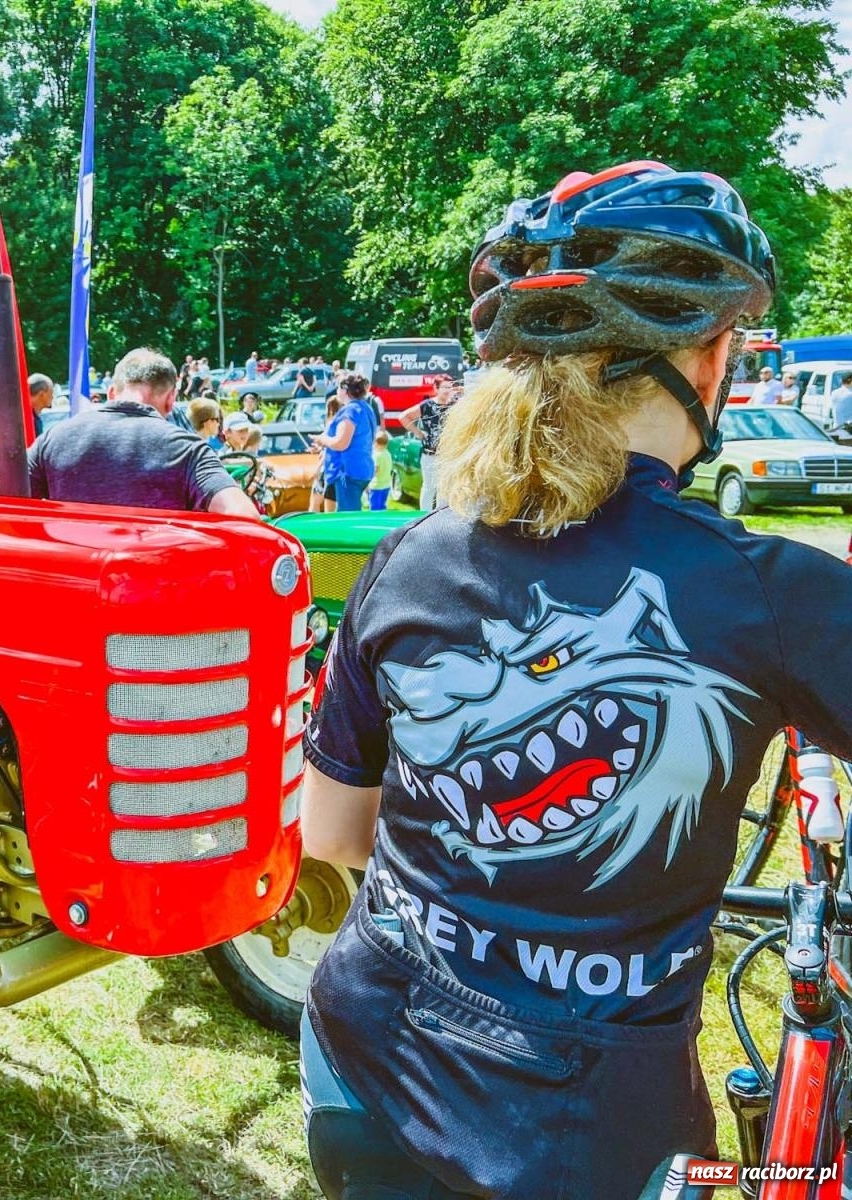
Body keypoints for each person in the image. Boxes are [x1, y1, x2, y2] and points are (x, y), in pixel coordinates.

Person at [296, 163, 843, 1200]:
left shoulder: (407, 556)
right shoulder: (766, 590)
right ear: (712, 360)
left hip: (361, 1072)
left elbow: (330, 834)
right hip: (586, 1139)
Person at [27, 348, 256, 515]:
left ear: (111, 392)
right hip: (156, 567)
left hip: (72, 567)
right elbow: (243, 515)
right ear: (171, 400)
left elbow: (7, 503)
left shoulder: (52, 440)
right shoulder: (189, 450)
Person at [310, 374, 377, 511]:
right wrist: (324, 444)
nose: (336, 391)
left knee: (348, 517)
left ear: (345, 390)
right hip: (362, 468)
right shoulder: (365, 407)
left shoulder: (350, 410)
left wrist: (322, 440)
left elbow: (341, 443)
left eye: (338, 387)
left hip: (347, 472)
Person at [400, 375, 458, 509]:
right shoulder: (427, 405)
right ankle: (424, 515)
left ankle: (440, 516)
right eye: (444, 387)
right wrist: (419, 433)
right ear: (436, 388)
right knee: (429, 487)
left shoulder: (455, 406)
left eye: (450, 387)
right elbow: (404, 417)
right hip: (430, 453)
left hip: (449, 455)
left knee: (445, 489)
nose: (447, 390)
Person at [366, 429, 391, 511]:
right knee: (382, 506)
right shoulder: (387, 453)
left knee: (374, 507)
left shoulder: (377, 456)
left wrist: (367, 482)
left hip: (376, 486)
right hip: (386, 485)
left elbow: (375, 470)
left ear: (375, 443)